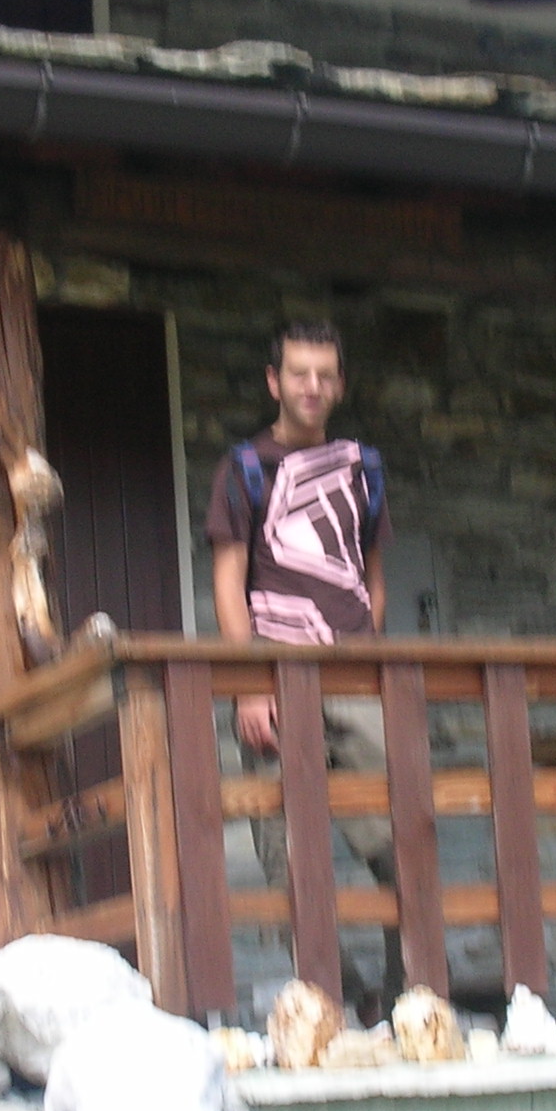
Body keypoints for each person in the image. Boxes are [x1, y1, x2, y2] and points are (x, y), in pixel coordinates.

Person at [206, 322, 399, 919]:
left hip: (356, 679)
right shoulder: (243, 467)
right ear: (274, 382)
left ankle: (412, 975)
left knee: (398, 845)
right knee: (288, 858)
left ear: (339, 385)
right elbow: (227, 582)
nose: (311, 386)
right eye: (298, 374)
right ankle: (324, 977)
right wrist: (248, 686)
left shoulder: (364, 469)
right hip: (275, 679)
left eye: (324, 375)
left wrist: (367, 656)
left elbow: (373, 578)